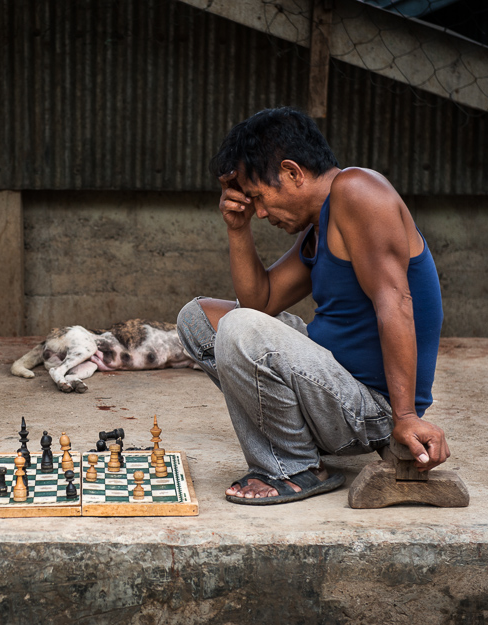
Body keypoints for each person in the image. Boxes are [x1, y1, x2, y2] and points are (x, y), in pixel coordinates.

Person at [176, 107, 450, 505]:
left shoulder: (358, 191)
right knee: (198, 318)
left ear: (292, 172)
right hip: (332, 384)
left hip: (373, 406)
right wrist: (238, 229)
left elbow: (396, 302)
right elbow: (261, 301)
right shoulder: (320, 225)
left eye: (259, 197)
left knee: (240, 328)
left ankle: (292, 466)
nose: (262, 212)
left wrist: (405, 417)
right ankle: (293, 439)